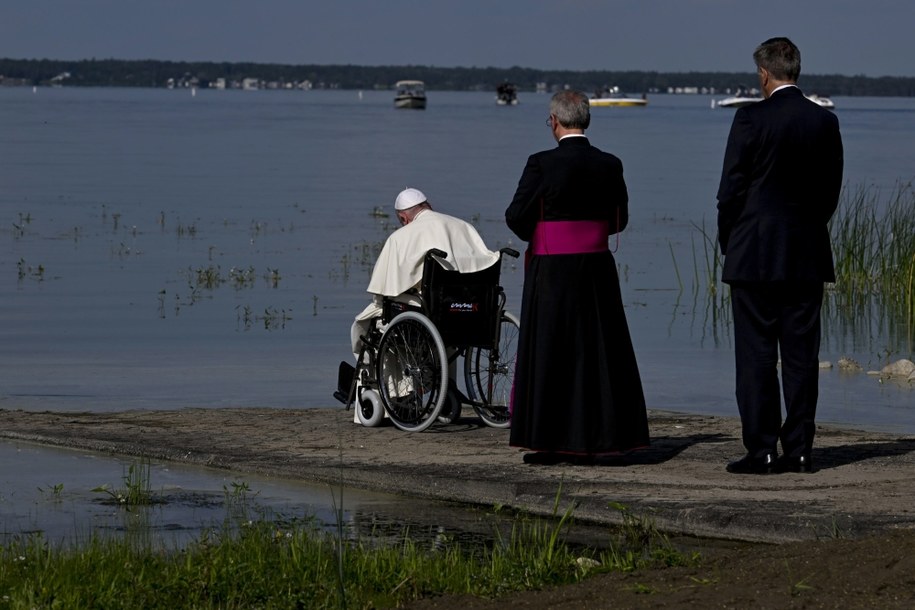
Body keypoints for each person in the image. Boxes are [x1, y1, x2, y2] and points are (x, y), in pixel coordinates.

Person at [716, 37, 843, 474]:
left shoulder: (750, 117)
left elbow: (731, 190)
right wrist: (808, 229)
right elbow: (830, 193)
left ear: (764, 74)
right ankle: (802, 449)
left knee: (755, 355)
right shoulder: (824, 122)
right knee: (801, 355)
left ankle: (762, 449)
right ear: (797, 71)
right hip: (806, 252)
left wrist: (729, 241)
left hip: (754, 251)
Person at [505, 90, 650, 465]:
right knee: (599, 352)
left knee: (552, 351)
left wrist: (540, 234)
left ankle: (551, 442)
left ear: (554, 121)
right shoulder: (610, 163)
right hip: (597, 268)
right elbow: (620, 219)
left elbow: (516, 216)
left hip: (552, 270)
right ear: (586, 119)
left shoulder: (541, 164)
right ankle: (602, 440)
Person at [349, 188, 500, 424]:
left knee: (368, 323)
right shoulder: (463, 227)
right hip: (468, 312)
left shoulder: (402, 237)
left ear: (403, 218)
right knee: (446, 322)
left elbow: (383, 293)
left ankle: (398, 394)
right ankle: (442, 387)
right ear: (427, 205)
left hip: (428, 313)